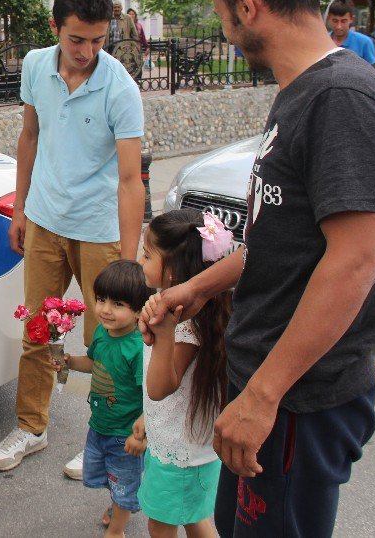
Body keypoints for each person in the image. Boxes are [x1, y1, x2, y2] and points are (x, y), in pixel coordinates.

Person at [142, 0, 375, 536]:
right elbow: (280, 241)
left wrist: (263, 396)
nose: (227, 34)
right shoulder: (300, 93)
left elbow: (355, 261)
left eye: (222, 15)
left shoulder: (342, 97)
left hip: (296, 399)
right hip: (265, 381)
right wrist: (199, 289)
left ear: (246, 5)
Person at [0, 0, 146, 478]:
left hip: (100, 230)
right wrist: (20, 208)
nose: (87, 51)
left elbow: (130, 179)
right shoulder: (35, 66)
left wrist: (128, 258)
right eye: (77, 38)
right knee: (37, 328)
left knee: (108, 343)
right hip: (46, 220)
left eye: (98, 40)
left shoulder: (119, 86)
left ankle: (104, 437)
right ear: (55, 26)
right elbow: (29, 136)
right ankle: (32, 427)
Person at [138, 210, 232, 538]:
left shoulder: (185, 325)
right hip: (187, 445)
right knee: (193, 517)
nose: (140, 259)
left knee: (161, 524)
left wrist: (164, 334)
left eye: (148, 255)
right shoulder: (205, 311)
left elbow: (161, 387)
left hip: (179, 453)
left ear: (174, 270)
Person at [51, 260, 152, 537]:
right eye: (101, 299)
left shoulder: (138, 349)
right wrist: (70, 362)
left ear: (140, 309)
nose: (105, 309)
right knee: (111, 477)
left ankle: (117, 529)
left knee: (123, 481)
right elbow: (94, 364)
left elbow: (152, 397)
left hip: (125, 433)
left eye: (118, 304)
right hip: (100, 426)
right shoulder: (102, 334)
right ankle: (120, 506)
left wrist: (141, 435)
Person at [326, 0, 375, 64]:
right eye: (335, 21)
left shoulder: (364, 43)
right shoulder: (323, 42)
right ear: (329, 18)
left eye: (343, 21)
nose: (339, 26)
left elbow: (373, 70)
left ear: (352, 19)